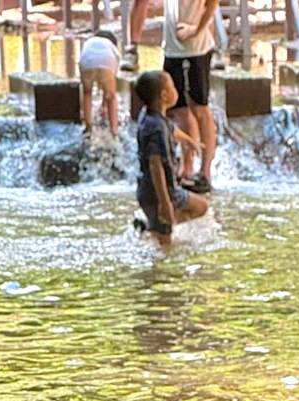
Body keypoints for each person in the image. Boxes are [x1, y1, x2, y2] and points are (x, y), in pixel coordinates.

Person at [134, 70, 208, 245]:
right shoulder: (158, 127)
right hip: (160, 191)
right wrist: (164, 202)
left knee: (201, 206)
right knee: (165, 248)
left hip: (153, 189)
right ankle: (153, 231)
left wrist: (190, 141)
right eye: (173, 87)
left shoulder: (150, 116)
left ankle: (151, 227)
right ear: (165, 95)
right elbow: (155, 165)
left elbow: (173, 130)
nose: (176, 90)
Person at [162, 0, 219, 193]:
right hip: (171, 48)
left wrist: (197, 29)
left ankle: (205, 172)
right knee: (179, 110)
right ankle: (186, 169)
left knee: (200, 109)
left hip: (195, 49)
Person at [79, 29, 119, 138]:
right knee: (111, 96)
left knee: (87, 92)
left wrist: (103, 105)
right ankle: (114, 131)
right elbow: (110, 80)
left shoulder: (90, 41)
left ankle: (87, 125)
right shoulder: (112, 48)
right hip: (107, 60)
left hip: (87, 61)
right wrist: (105, 105)